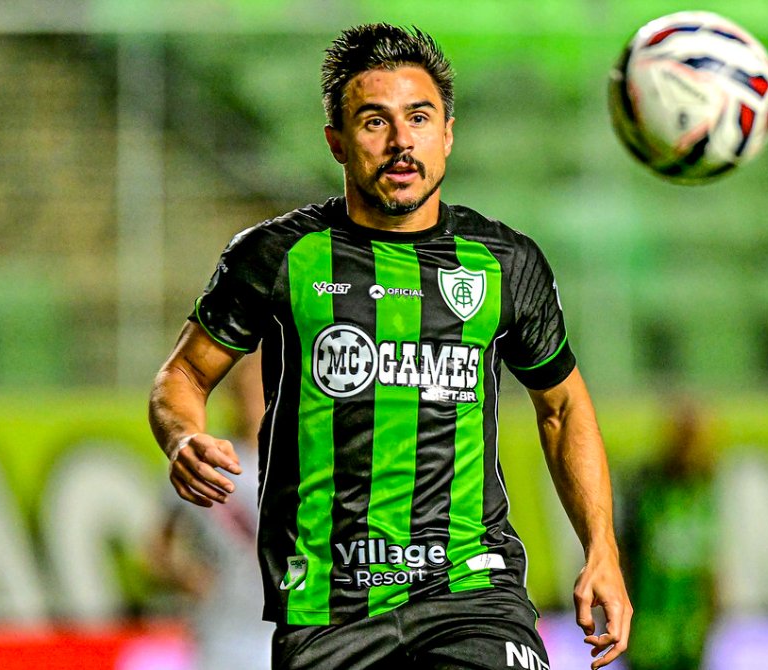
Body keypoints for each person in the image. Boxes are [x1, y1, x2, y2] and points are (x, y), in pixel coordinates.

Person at [149, 23, 631, 670]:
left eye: (420, 118)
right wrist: (182, 435)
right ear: (337, 144)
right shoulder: (278, 256)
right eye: (375, 122)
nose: (402, 141)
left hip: (474, 595)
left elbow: (564, 407)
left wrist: (601, 548)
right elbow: (182, 375)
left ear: (448, 134)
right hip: (328, 606)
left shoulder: (503, 263)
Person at [145, 353, 273, 669]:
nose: (256, 398)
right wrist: (191, 578)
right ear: (234, 396)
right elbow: (155, 550)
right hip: (221, 632)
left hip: (285, 629)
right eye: (249, 389)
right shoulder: (206, 459)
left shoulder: (303, 465)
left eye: (264, 388)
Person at [620, 397, 716, 670]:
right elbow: (622, 555)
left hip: (691, 632)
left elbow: (708, 559)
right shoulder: (645, 490)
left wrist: (713, 611)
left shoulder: (706, 491)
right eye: (685, 436)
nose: (692, 445)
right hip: (648, 632)